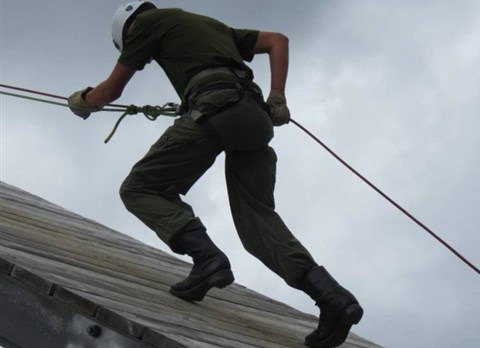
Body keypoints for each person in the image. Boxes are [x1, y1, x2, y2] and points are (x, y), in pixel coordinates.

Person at [68, 2, 363, 347]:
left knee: (140, 188)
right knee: (257, 224)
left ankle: (208, 260)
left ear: (127, 31)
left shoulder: (146, 23)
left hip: (216, 108)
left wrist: (83, 101)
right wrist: (277, 96)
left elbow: (111, 91)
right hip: (254, 118)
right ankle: (332, 298)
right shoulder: (208, 26)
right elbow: (277, 40)